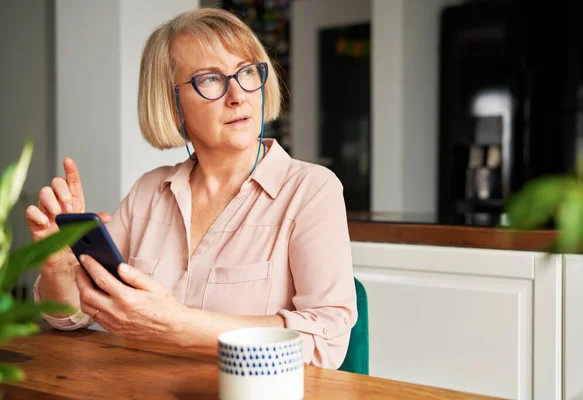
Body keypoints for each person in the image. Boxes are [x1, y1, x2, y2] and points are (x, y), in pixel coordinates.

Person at [27, 8, 357, 369]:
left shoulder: (311, 191)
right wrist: (58, 266)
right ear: (172, 103)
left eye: (247, 71)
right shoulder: (149, 191)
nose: (238, 95)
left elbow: (326, 342)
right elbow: (72, 318)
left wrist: (179, 327)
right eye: (211, 79)